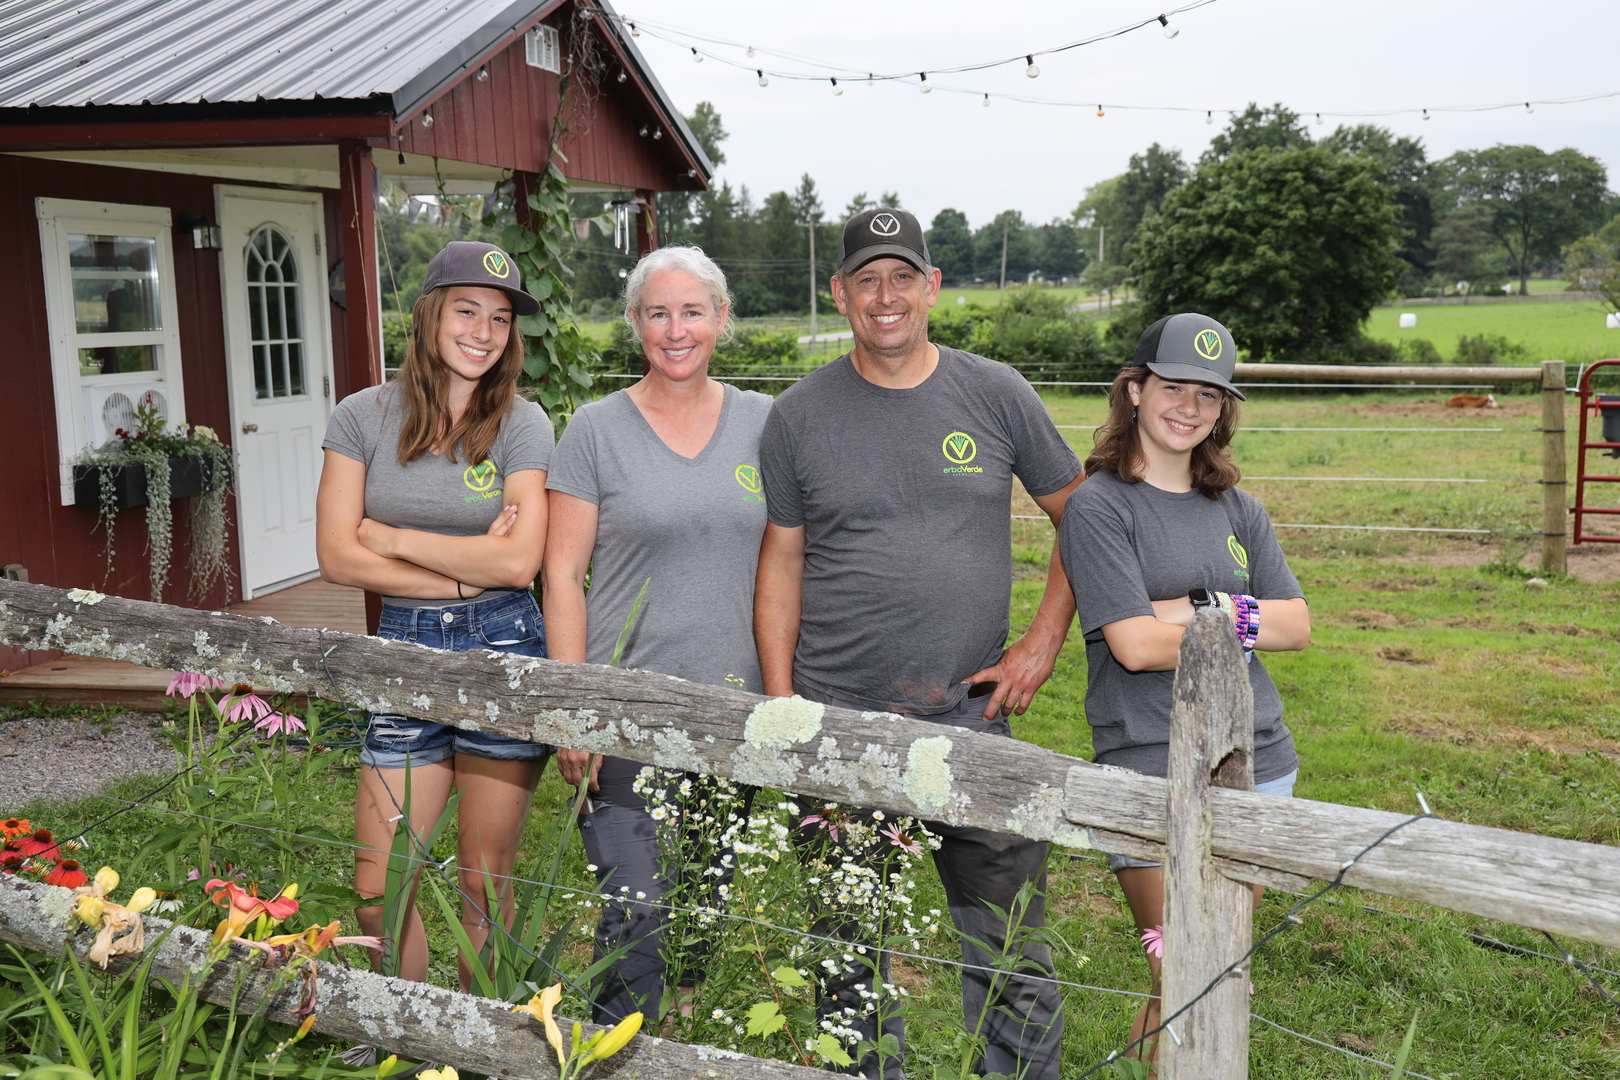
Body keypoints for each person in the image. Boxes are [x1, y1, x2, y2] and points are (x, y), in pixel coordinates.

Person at [755, 208, 1085, 1080]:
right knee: (845, 956)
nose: (886, 295)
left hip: (972, 715)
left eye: (903, 276)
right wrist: (786, 706)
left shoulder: (995, 392)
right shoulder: (798, 414)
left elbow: (1083, 517)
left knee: (1011, 950)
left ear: (933, 287)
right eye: (867, 278)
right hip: (839, 721)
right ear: (841, 295)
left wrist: (1042, 642)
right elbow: (781, 560)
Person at [1057, 313, 1312, 1061]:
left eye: (1208, 394)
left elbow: (1297, 624)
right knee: (1182, 966)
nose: (1189, 408)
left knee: (1218, 965)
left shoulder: (1237, 508)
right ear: (1135, 390)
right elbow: (1134, 647)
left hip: (1259, 760)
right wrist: (1238, 615)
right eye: (1173, 387)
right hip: (1147, 762)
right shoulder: (1099, 507)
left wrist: (1195, 607)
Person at [316, 240, 553, 990]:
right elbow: (335, 555)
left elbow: (517, 566)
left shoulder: (523, 423)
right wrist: (458, 576)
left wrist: (389, 538)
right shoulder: (360, 417)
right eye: (467, 310)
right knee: (378, 884)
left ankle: (486, 1041)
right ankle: (404, 1037)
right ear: (428, 314)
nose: (484, 331)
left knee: (485, 882)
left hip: (504, 643)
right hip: (404, 649)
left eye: (501, 317)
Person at [543, 246, 769, 1027]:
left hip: (734, 712)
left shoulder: (765, 423)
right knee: (636, 918)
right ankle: (615, 1053)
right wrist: (574, 708)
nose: (676, 330)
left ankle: (681, 1039)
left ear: (721, 317)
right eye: (658, 313)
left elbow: (793, 559)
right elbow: (562, 574)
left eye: (693, 311)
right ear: (635, 323)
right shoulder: (596, 430)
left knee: (704, 918)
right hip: (627, 715)